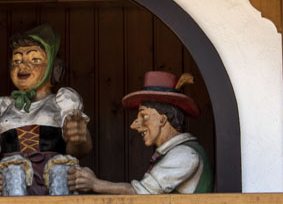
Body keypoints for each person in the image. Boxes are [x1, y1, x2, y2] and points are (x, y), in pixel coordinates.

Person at [0, 24, 91, 195]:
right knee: (14, 171)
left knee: (60, 171)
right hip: (13, 181)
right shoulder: (2, 107)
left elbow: (78, 149)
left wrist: (79, 136)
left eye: (35, 60)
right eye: (17, 61)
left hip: (55, 179)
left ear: (54, 68)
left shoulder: (63, 101)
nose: (23, 66)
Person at [69, 71, 212, 195]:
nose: (133, 125)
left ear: (163, 119)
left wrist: (95, 184)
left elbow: (142, 194)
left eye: (143, 116)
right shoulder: (175, 153)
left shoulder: (185, 155)